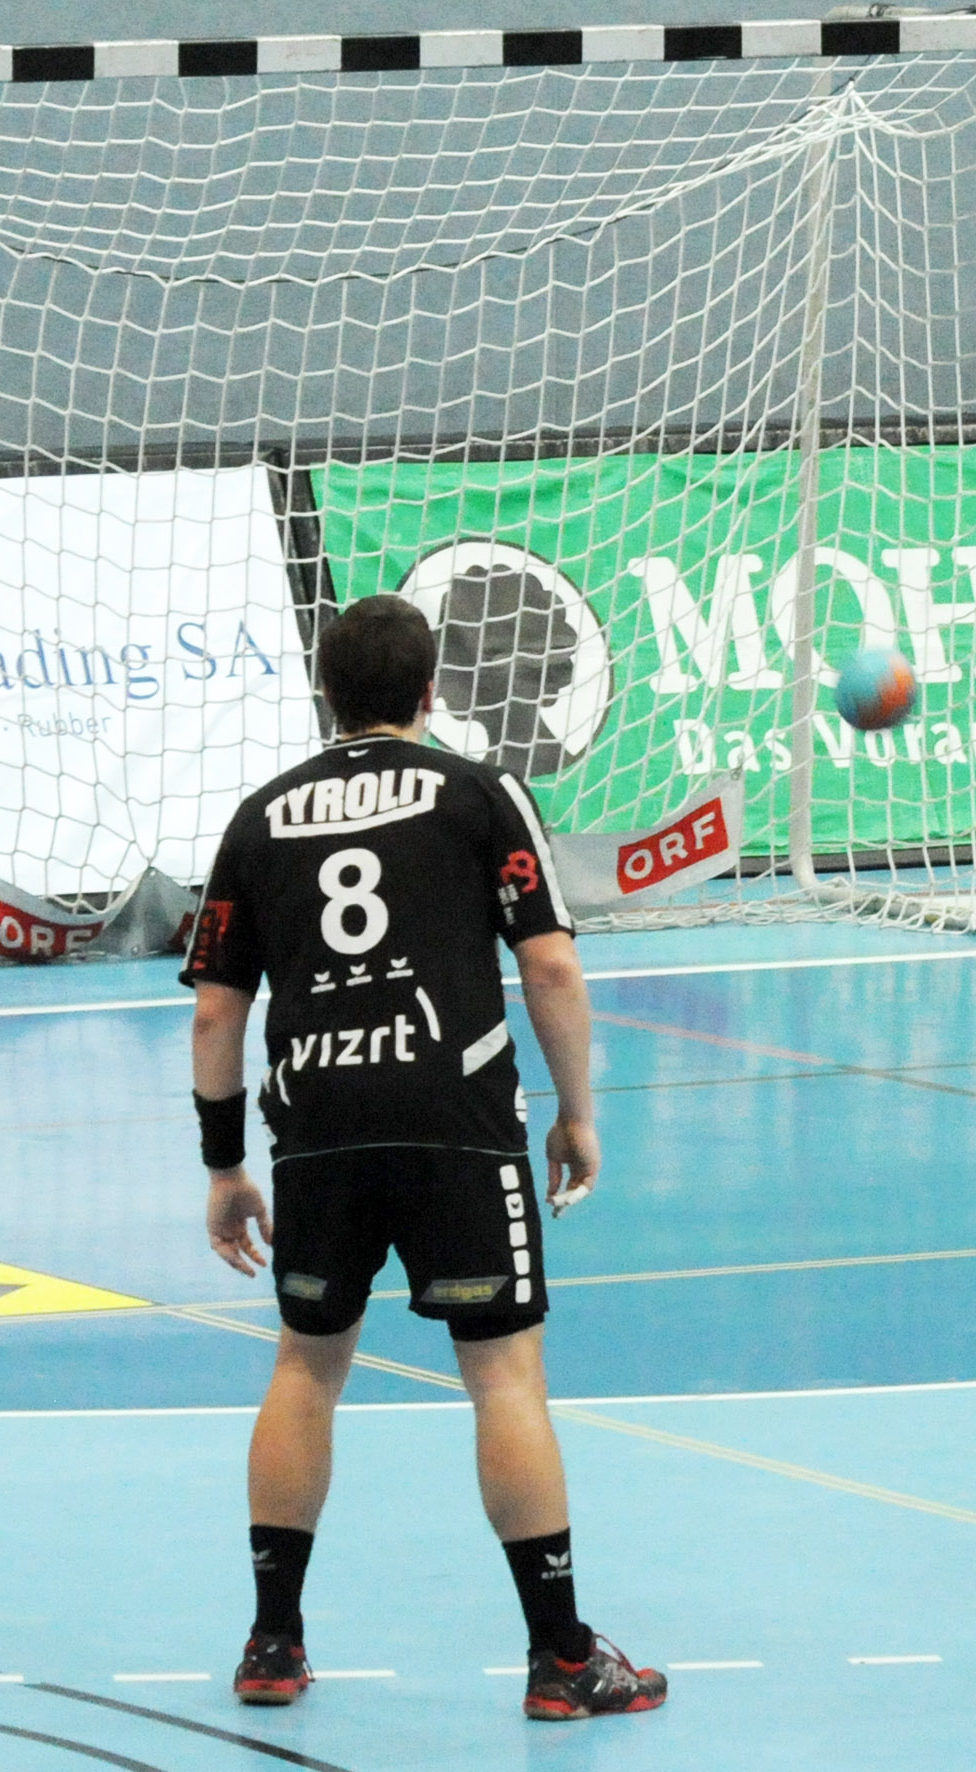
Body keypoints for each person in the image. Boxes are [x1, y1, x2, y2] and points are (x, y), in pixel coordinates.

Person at [183, 595, 665, 1722]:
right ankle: (560, 1658)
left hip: (320, 1127)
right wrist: (576, 1112)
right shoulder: (479, 793)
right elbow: (550, 966)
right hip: (456, 1120)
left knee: (307, 1369)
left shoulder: (259, 817)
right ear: (431, 690)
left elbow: (215, 1012)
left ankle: (272, 1642)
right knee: (502, 1377)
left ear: (326, 693)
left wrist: (223, 1165)